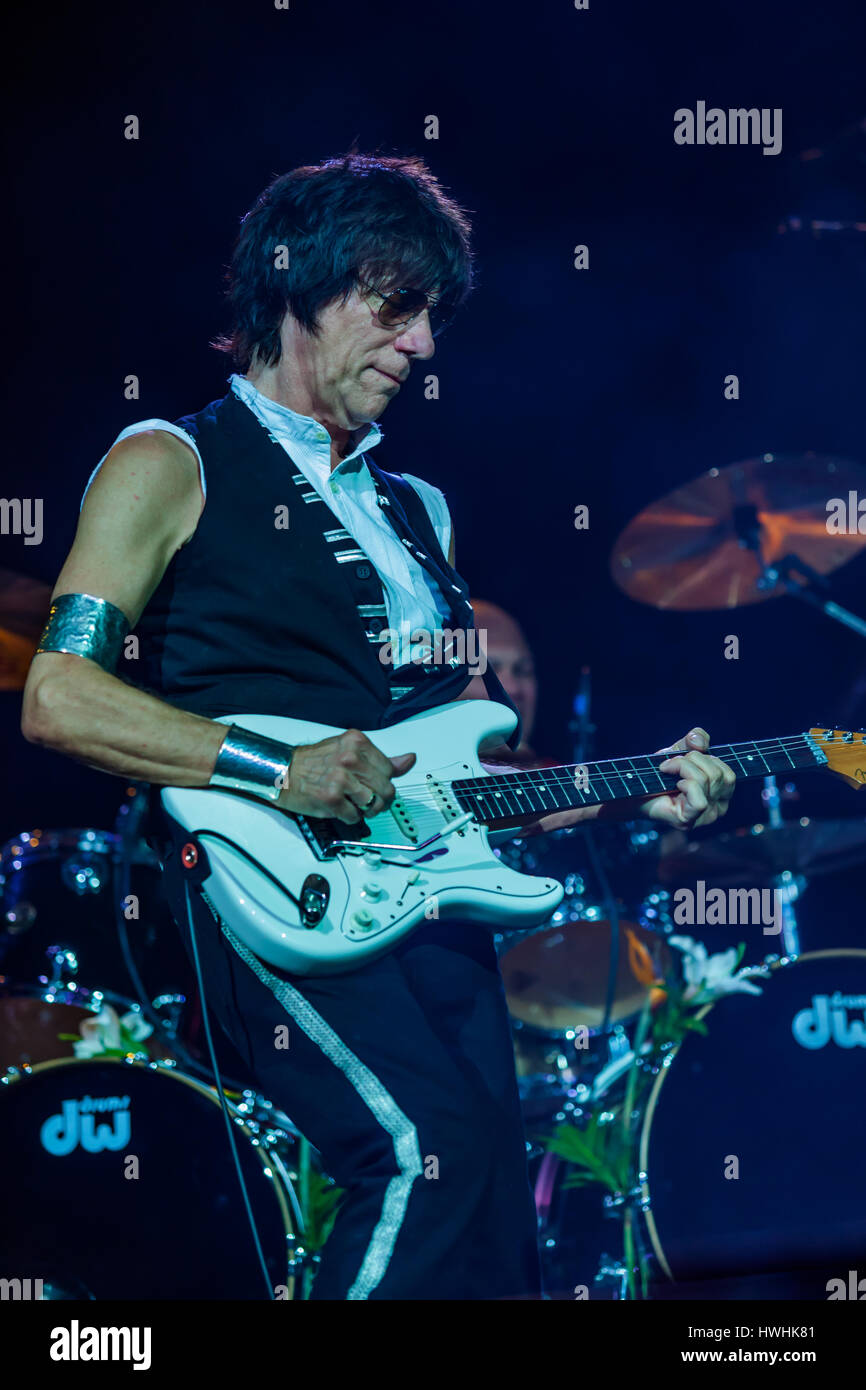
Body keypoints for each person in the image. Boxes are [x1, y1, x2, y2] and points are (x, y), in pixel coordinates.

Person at [21, 151, 735, 1300]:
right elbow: (59, 696)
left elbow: (461, 767)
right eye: (394, 308)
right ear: (295, 283)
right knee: (417, 1153)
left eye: (431, 318)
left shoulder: (420, 512)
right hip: (246, 878)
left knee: (492, 1204)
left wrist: (629, 784)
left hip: (415, 892)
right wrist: (275, 764)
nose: (423, 347)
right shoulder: (171, 460)